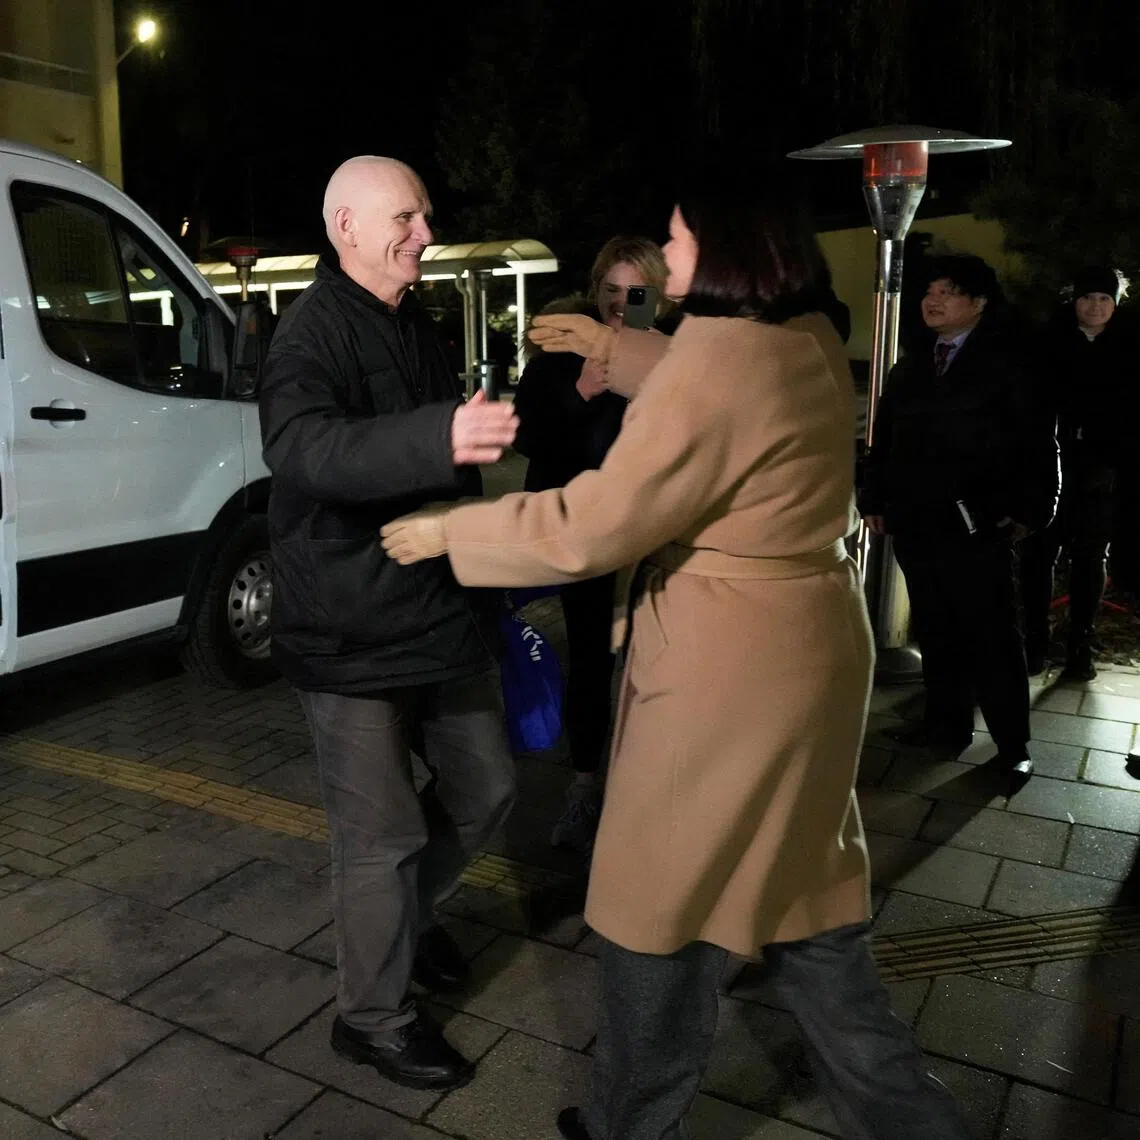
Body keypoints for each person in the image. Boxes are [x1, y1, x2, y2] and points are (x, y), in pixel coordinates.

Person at [381, 173, 974, 1140]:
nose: (669, 251)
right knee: (808, 914)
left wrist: (456, 531)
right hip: (810, 650)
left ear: (729, 244)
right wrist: (618, 350)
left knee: (658, 911)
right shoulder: (809, 337)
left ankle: (626, 1125)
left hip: (726, 667)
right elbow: (731, 404)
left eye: (681, 235)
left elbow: (596, 522)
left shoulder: (719, 357)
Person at [258, 156, 518, 1092]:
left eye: (425, 215)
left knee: (486, 789)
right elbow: (299, 447)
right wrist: (440, 436)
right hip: (348, 627)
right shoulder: (307, 335)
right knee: (381, 836)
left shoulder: (417, 319)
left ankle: (406, 923)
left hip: (435, 608)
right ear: (347, 226)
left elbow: (449, 459)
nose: (423, 232)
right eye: (406, 217)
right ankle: (370, 1019)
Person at [860, 255, 1058, 787]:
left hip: (977, 523)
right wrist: (873, 494)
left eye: (948, 291)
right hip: (918, 520)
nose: (933, 300)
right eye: (929, 290)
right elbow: (886, 439)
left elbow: (1038, 441)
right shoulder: (915, 361)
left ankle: (1013, 746)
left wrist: (1027, 510)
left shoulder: (1009, 362)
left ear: (979, 301)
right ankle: (944, 727)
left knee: (992, 636)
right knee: (937, 629)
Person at [513, 236, 674, 854]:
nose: (619, 305)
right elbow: (528, 437)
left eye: (635, 294)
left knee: (658, 661)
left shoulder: (671, 353)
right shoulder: (563, 348)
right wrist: (580, 393)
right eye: (610, 290)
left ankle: (648, 786)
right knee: (590, 657)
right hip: (586, 529)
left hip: (657, 534)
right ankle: (585, 786)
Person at [1020, 268, 1133, 680]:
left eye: (1105, 299)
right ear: (1075, 301)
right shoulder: (1048, 342)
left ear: (1116, 304)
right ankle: (1034, 643)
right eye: (1088, 297)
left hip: (1102, 470)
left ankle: (1079, 646)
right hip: (1049, 464)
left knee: (1089, 558)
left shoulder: (1128, 345)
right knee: (1038, 556)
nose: (1096, 306)